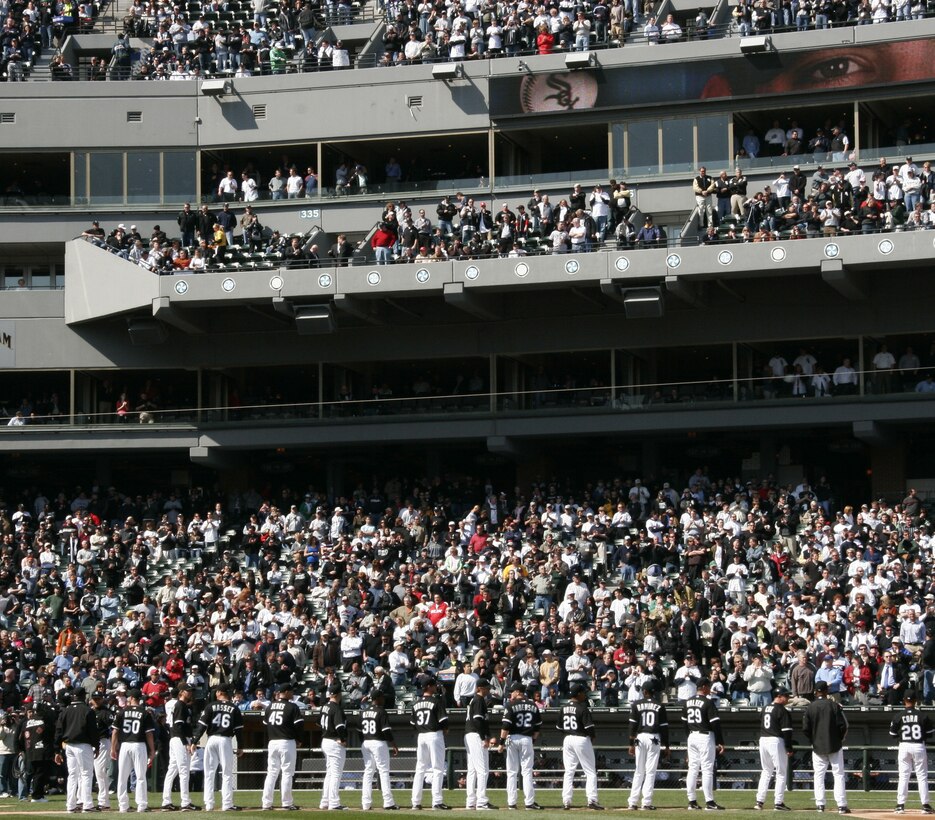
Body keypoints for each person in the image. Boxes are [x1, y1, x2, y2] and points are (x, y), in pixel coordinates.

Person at [194, 686, 244, 812]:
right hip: (225, 740)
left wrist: (194, 741)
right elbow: (239, 730)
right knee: (227, 773)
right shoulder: (234, 708)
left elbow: (202, 726)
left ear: (220, 693)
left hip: (211, 740)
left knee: (209, 773)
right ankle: (227, 804)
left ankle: (209, 804)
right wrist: (240, 746)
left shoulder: (210, 706)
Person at [802, 680, 849, 814]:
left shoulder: (810, 707)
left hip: (817, 746)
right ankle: (841, 805)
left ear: (816, 692)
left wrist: (813, 740)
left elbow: (805, 729)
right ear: (826, 691)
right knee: (838, 774)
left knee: (818, 775)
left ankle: (820, 805)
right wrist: (839, 739)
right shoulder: (834, 705)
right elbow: (843, 726)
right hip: (834, 744)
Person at [54, 687, 99, 813]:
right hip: (83, 745)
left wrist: (57, 750)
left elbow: (58, 731)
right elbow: (93, 731)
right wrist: (97, 746)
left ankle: (71, 805)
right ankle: (87, 804)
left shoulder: (65, 711)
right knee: (86, 774)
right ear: (82, 696)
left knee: (72, 775)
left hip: (69, 745)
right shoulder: (87, 710)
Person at [261, 681, 304, 811]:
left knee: (271, 773)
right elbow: (299, 725)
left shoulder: (270, 706)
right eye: (291, 691)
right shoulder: (292, 707)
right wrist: (299, 739)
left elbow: (264, 724)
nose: (292, 694)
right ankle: (286, 802)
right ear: (285, 692)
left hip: (272, 742)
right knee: (287, 773)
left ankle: (266, 803)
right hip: (287, 741)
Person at [889, 690, 934, 814]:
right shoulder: (923, 715)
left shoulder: (898, 715)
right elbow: (930, 734)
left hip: (904, 746)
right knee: (922, 776)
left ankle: (900, 805)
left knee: (903, 776)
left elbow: (892, 734)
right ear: (916, 701)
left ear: (904, 700)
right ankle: (925, 805)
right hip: (919, 745)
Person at [111, 689, 155, 814]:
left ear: (131, 698)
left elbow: (115, 732)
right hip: (139, 745)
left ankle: (123, 806)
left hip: (125, 745)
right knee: (141, 776)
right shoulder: (145, 713)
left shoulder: (122, 712)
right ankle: (141, 805)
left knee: (122, 777)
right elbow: (149, 734)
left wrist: (113, 748)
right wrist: (152, 749)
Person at [500, 682, 543, 811]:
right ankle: (529, 802)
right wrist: (532, 741)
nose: (511, 694)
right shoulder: (532, 705)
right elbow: (538, 726)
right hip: (527, 738)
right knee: (527, 771)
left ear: (518, 692)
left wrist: (501, 743)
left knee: (512, 772)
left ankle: (511, 803)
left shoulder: (510, 704)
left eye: (512, 691)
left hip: (512, 738)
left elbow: (506, 726)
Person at [683, 678, 724, 811]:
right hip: (705, 736)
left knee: (693, 769)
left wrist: (688, 737)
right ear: (704, 687)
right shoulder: (707, 702)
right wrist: (720, 741)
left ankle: (692, 801)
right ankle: (709, 802)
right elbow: (715, 723)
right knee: (707, 770)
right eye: (709, 686)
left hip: (691, 736)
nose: (709, 689)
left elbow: (684, 723)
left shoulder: (688, 701)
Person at [628, 680, 669, 811]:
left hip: (640, 738)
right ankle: (646, 802)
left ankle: (632, 802)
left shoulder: (636, 704)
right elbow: (664, 728)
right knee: (650, 772)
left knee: (639, 771)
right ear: (654, 692)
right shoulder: (659, 705)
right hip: (654, 738)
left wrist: (630, 744)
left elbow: (632, 726)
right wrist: (667, 745)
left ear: (644, 692)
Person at [561, 683, 603, 811]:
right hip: (581, 738)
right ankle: (592, 800)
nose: (585, 695)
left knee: (569, 771)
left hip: (568, 738)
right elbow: (589, 728)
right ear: (578, 694)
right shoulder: (582, 708)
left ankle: (566, 801)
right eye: (583, 692)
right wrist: (592, 737)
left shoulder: (564, 708)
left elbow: (559, 727)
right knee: (590, 771)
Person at [410, 675, 449, 810]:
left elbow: (412, 724)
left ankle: (415, 802)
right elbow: (444, 721)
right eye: (433, 685)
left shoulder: (415, 703)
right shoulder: (436, 701)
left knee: (420, 769)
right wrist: (445, 730)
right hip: (434, 734)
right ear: (429, 687)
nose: (435, 687)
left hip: (421, 735)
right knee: (438, 768)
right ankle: (437, 801)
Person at [755, 686, 793, 811]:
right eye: (785, 696)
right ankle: (778, 802)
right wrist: (789, 747)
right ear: (779, 696)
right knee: (781, 772)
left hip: (763, 739)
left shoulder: (765, 708)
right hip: (775, 740)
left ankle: (759, 802)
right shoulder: (782, 710)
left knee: (766, 771)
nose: (787, 698)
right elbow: (787, 731)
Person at [359, 689, 399, 811]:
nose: (384, 699)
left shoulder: (363, 712)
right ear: (377, 698)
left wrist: (365, 742)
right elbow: (386, 730)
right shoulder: (381, 711)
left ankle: (365, 803)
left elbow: (358, 731)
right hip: (378, 742)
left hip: (366, 742)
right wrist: (393, 744)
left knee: (368, 772)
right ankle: (388, 802)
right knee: (383, 771)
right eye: (382, 697)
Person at [162, 684, 197, 811]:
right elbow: (179, 726)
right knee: (184, 771)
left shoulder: (182, 705)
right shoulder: (180, 705)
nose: (190, 693)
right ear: (181, 692)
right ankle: (185, 802)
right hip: (179, 739)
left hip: (175, 738)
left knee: (172, 770)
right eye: (188, 691)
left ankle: (166, 801)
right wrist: (186, 743)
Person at [464, 677, 496, 811]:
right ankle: (481, 802)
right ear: (479, 688)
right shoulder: (478, 699)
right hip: (475, 735)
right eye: (486, 687)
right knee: (482, 770)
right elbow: (478, 721)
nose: (488, 689)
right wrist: (484, 738)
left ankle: (471, 801)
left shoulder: (476, 700)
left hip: (470, 734)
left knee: (472, 770)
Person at [319, 683, 347, 811]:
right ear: (337, 694)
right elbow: (340, 726)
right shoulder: (336, 708)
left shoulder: (325, 706)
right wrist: (343, 739)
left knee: (330, 773)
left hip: (325, 740)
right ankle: (334, 803)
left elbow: (317, 723)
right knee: (335, 774)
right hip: (334, 742)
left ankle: (325, 801)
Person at [90, 692, 113, 810]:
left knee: (100, 771)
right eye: (95, 699)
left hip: (102, 742)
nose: (97, 701)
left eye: (99, 698)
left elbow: (113, 727)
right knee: (93, 772)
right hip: (90, 743)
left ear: (102, 699)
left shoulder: (106, 712)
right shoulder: (90, 711)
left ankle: (103, 801)